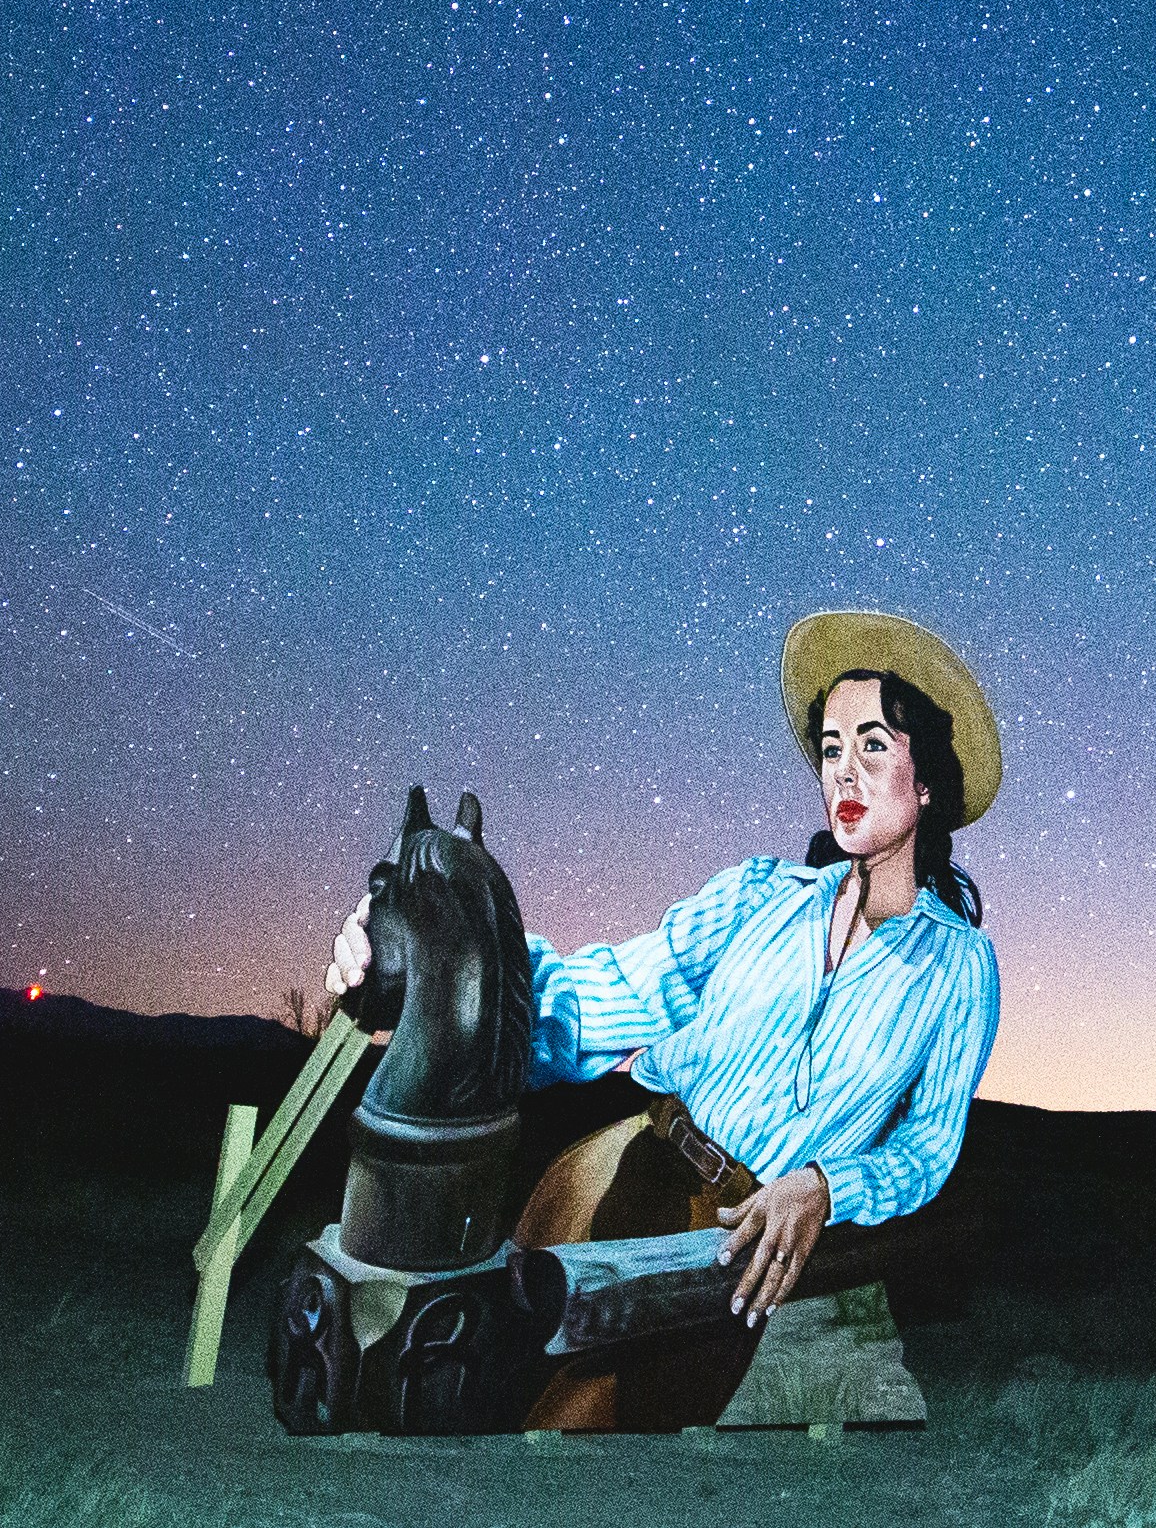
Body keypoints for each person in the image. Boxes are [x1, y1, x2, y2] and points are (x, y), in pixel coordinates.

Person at [324, 607, 1002, 1429]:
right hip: (619, 1168)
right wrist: (432, 963)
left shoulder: (960, 967)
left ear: (926, 781)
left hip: (735, 1233)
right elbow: (612, 991)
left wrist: (824, 1187)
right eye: (830, 750)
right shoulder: (758, 896)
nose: (842, 776)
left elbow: (927, 1148)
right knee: (475, 1387)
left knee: (583, 1434)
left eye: (872, 746)